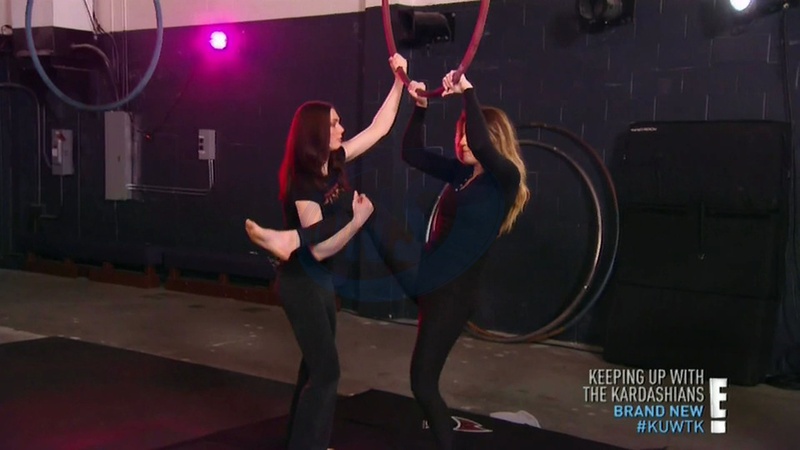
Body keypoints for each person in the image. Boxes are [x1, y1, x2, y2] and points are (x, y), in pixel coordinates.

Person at [252, 53, 409, 450]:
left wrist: (399, 82)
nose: (342, 128)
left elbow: (379, 129)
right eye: (335, 123)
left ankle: (299, 442)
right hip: (301, 282)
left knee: (314, 368)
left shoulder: (334, 161)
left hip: (321, 281)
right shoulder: (303, 183)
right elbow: (321, 250)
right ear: (317, 132)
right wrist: (357, 220)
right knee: (327, 373)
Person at [399, 71, 530, 450]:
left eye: (467, 134)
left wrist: (467, 93)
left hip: (453, 295)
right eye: (458, 134)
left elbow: (484, 147)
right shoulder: (462, 174)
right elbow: (411, 153)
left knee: (423, 384)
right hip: (431, 282)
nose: (461, 141)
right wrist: (420, 109)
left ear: (493, 140)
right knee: (422, 382)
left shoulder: (503, 180)